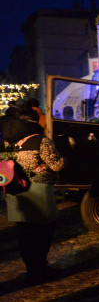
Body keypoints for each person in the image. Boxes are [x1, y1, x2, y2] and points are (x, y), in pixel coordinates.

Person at [1, 106, 65, 286]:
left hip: (15, 193)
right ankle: (41, 269)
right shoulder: (40, 141)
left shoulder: (7, 143)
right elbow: (57, 165)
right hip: (39, 193)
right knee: (43, 233)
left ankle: (32, 270)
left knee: (25, 234)